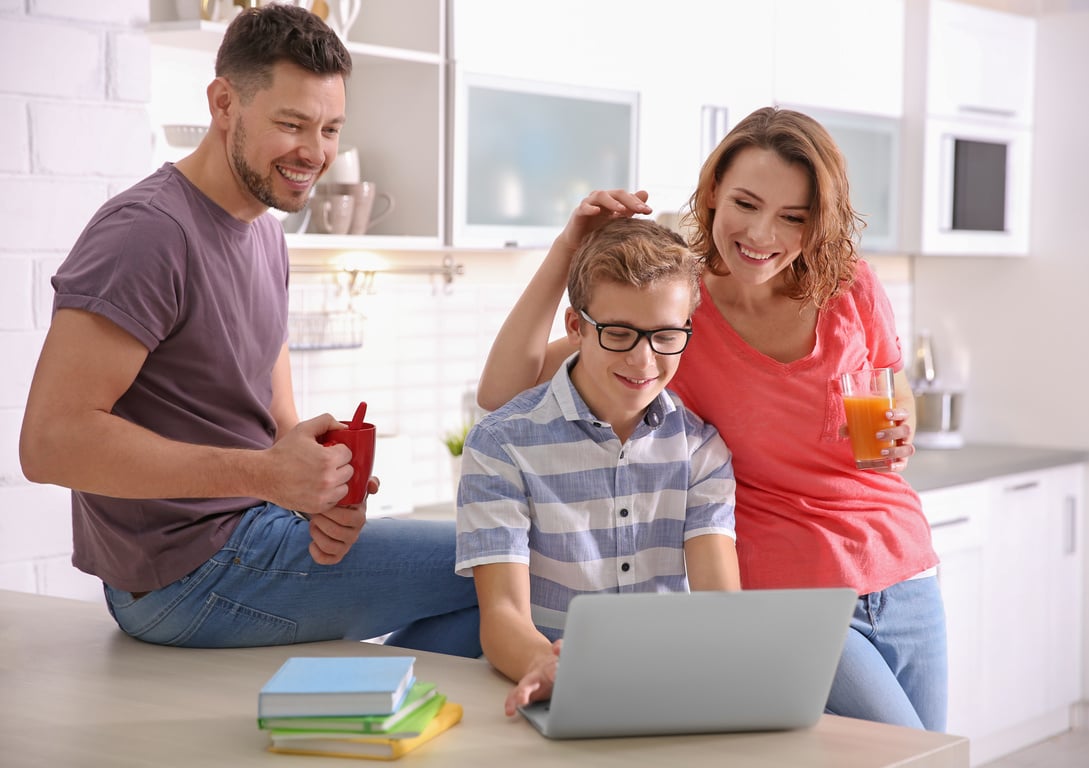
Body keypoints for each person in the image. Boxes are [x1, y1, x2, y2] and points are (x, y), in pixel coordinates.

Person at [17, 5, 479, 655]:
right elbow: (50, 444)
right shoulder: (147, 232)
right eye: (291, 124)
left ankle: (372, 710)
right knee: (500, 563)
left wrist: (318, 492)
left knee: (501, 589)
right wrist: (267, 477)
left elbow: (275, 417)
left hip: (251, 535)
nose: (314, 152)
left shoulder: (264, 229)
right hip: (185, 575)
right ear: (222, 102)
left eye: (329, 129)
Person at [474, 107, 947, 731]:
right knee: (901, 751)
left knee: (936, 748)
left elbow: (893, 381)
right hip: (795, 595)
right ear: (713, 192)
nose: (761, 232)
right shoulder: (679, 313)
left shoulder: (850, 286)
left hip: (905, 570)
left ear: (817, 224)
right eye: (746, 204)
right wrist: (569, 248)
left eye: (792, 217)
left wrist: (901, 425)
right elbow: (502, 390)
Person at [456, 218, 740, 715]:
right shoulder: (501, 444)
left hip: (670, 689)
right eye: (620, 334)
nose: (643, 359)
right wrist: (546, 667)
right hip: (556, 691)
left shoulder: (701, 450)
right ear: (576, 328)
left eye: (665, 336)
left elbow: (722, 606)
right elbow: (502, 616)